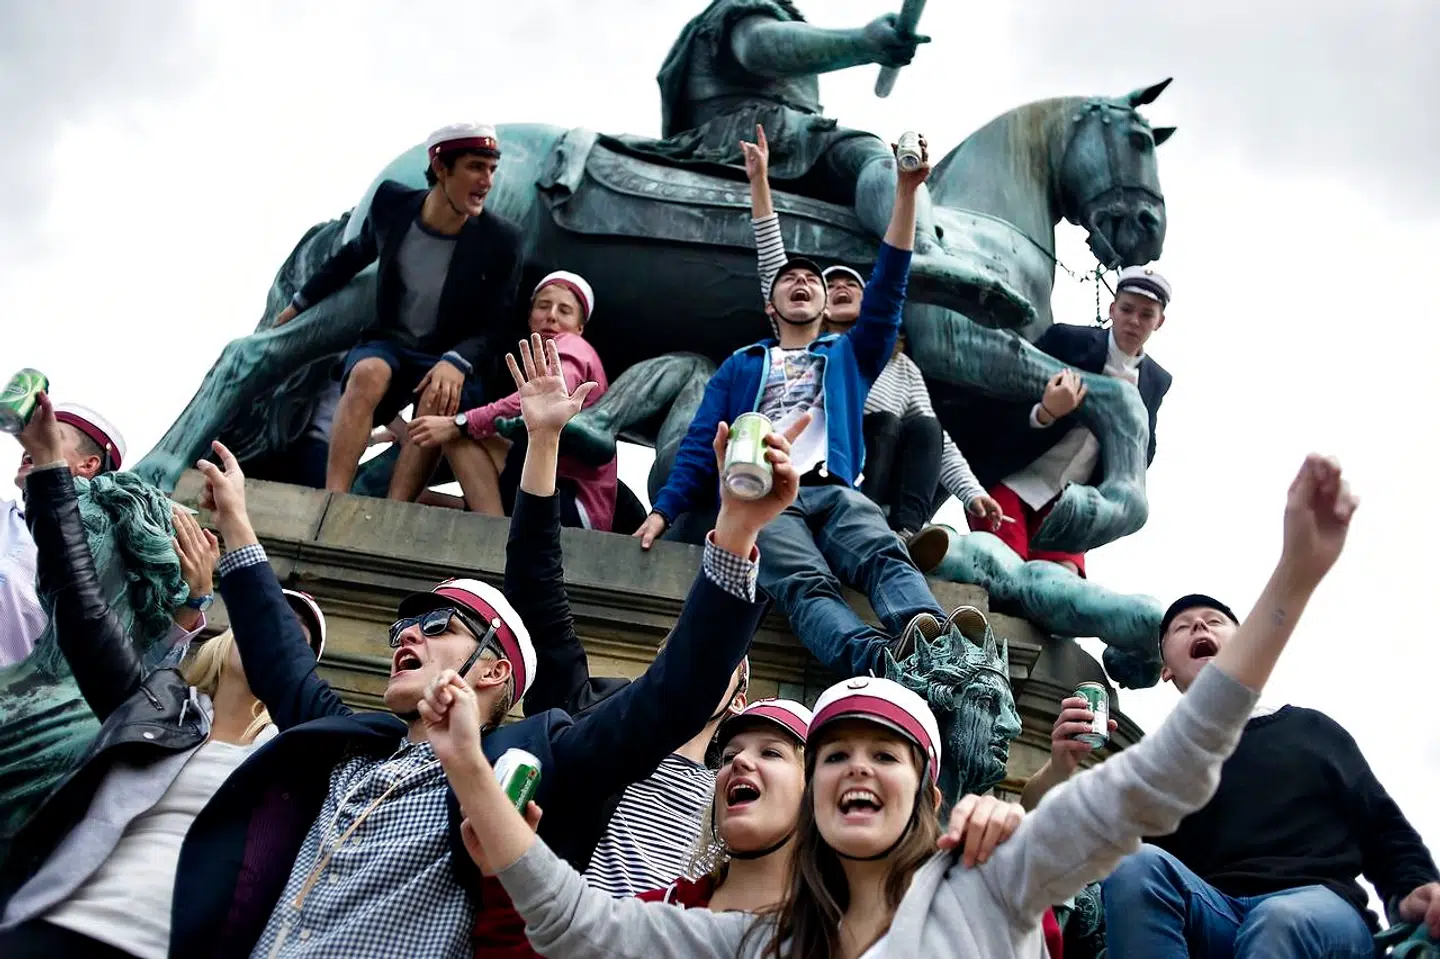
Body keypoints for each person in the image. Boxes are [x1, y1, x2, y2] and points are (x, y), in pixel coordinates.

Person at [428, 453, 1359, 958]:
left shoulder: (992, 881)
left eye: (884, 752)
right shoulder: (756, 939)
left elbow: (1158, 780)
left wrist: (1292, 578)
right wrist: (469, 766)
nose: (857, 768)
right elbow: (579, 923)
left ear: (925, 784)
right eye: (834, 754)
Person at [158, 334, 795, 959]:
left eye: (441, 628)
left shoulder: (523, 767)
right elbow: (277, 654)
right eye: (405, 629)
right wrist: (238, 522)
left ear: (493, 669)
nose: (410, 634)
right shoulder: (348, 743)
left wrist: (735, 532)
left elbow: (673, 692)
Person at [0, 393, 320, 959]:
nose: (279, 633)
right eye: (274, 619)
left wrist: (195, 598)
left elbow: (98, 626)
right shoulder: (170, 708)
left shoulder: (165, 718)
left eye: (297, 637)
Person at [635, 131, 950, 679]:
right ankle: (880, 663)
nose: (800, 281)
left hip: (834, 489)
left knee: (883, 554)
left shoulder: (851, 355)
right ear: (770, 303)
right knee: (805, 584)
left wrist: (904, 192)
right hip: (764, 495)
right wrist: (664, 509)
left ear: (828, 306)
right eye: (789, 279)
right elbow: (697, 442)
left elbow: (890, 283)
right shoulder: (741, 364)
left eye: (811, 279)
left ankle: (934, 648)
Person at [1091, 594, 1440, 956]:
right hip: (1215, 915)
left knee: (1278, 919)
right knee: (1135, 866)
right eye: (1181, 627)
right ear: (1166, 670)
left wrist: (1413, 886)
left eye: (1213, 621)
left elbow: (1382, 826)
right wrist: (1065, 765)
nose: (1198, 626)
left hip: (1319, 910)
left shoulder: (1312, 729)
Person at [741, 124, 1005, 573]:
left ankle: (904, 533)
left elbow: (939, 446)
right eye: (832, 284)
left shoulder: (898, 364)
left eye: (853, 284)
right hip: (825, 469)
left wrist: (973, 492)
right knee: (880, 417)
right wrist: (760, 181)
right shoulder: (806, 344)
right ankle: (864, 521)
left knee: (925, 428)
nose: (840, 287)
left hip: (885, 478)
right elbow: (774, 264)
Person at [275, 122, 524, 501]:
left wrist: (456, 362)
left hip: (448, 356)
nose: (487, 181)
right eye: (475, 166)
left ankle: (394, 509)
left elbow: (497, 323)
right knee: (366, 373)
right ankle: (332, 500)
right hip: (389, 343)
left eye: (492, 168)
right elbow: (354, 254)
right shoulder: (392, 203)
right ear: (441, 168)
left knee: (439, 398)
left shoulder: (501, 240)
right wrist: (299, 304)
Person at [951, 266, 1173, 575]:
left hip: (1069, 501)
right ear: (1112, 308)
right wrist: (1046, 412)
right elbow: (999, 404)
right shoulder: (1067, 340)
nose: (1134, 321)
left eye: (1146, 314)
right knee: (1003, 571)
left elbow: (1141, 450)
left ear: (1159, 322)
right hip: (1011, 476)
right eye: (1126, 309)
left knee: (1063, 583)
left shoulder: (1156, 380)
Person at [2, 401, 211, 668]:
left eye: (50, 436)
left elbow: (146, 664)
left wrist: (195, 600)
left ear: (88, 465)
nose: (31, 444)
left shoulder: (109, 556)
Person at [408, 271, 619, 530]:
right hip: (544, 489)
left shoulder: (573, 346)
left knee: (459, 434)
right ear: (531, 316)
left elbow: (546, 399)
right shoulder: (540, 356)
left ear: (579, 327)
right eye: (543, 306)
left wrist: (459, 423)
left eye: (564, 311)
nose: (551, 315)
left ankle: (496, 539)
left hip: (573, 504)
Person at [639, 698, 813, 911]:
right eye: (729, 756)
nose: (740, 760)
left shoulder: (844, 929)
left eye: (770, 753)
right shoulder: (656, 913)